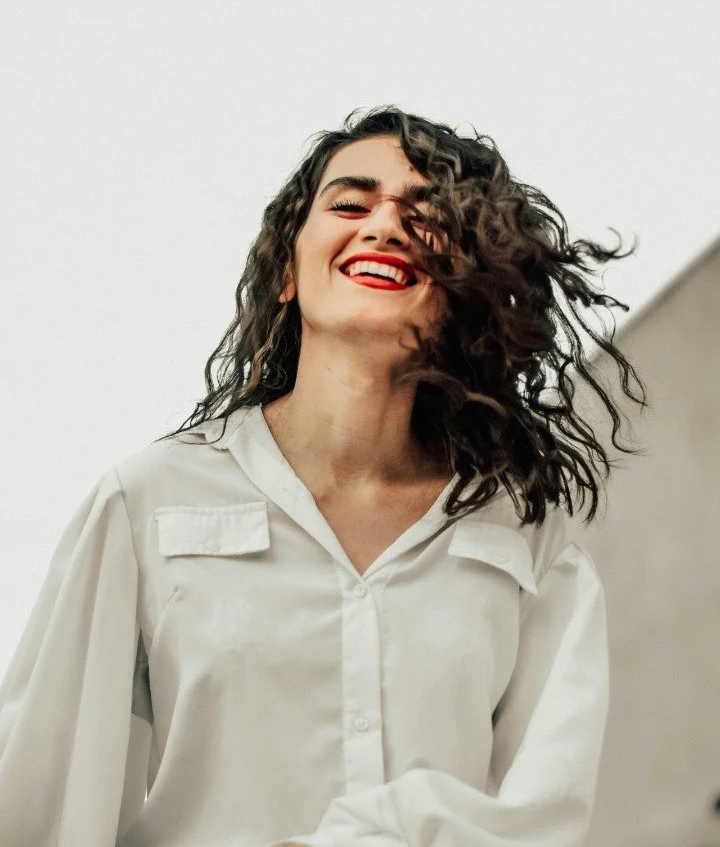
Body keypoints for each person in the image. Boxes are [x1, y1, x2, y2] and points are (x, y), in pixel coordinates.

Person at [0, 105, 649, 846]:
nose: (383, 225)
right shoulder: (149, 502)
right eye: (350, 203)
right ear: (286, 269)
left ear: (464, 284)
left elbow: (543, 816)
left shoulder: (527, 538)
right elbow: (41, 796)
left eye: (426, 215)